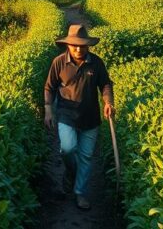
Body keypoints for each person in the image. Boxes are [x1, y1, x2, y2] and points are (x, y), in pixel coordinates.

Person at [43, 24, 115, 210]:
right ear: (68, 44)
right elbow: (49, 87)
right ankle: (70, 173)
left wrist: (108, 102)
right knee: (67, 149)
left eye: (82, 45)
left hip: (90, 118)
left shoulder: (96, 63)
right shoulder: (59, 62)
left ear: (88, 45)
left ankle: (80, 193)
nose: (78, 49)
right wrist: (48, 110)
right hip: (67, 116)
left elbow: (105, 84)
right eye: (74, 45)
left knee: (85, 156)